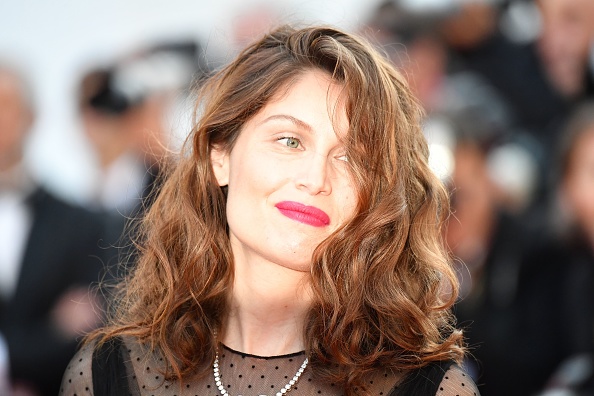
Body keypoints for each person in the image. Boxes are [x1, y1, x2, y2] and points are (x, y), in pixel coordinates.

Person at [60, 25, 480, 396]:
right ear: (219, 154)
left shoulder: (432, 389)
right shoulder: (105, 373)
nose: (316, 178)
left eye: (351, 157)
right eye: (289, 141)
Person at [0, 63, 107, 395]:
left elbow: (84, 332)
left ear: (31, 117)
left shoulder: (78, 223)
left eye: (4, 104)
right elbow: (58, 331)